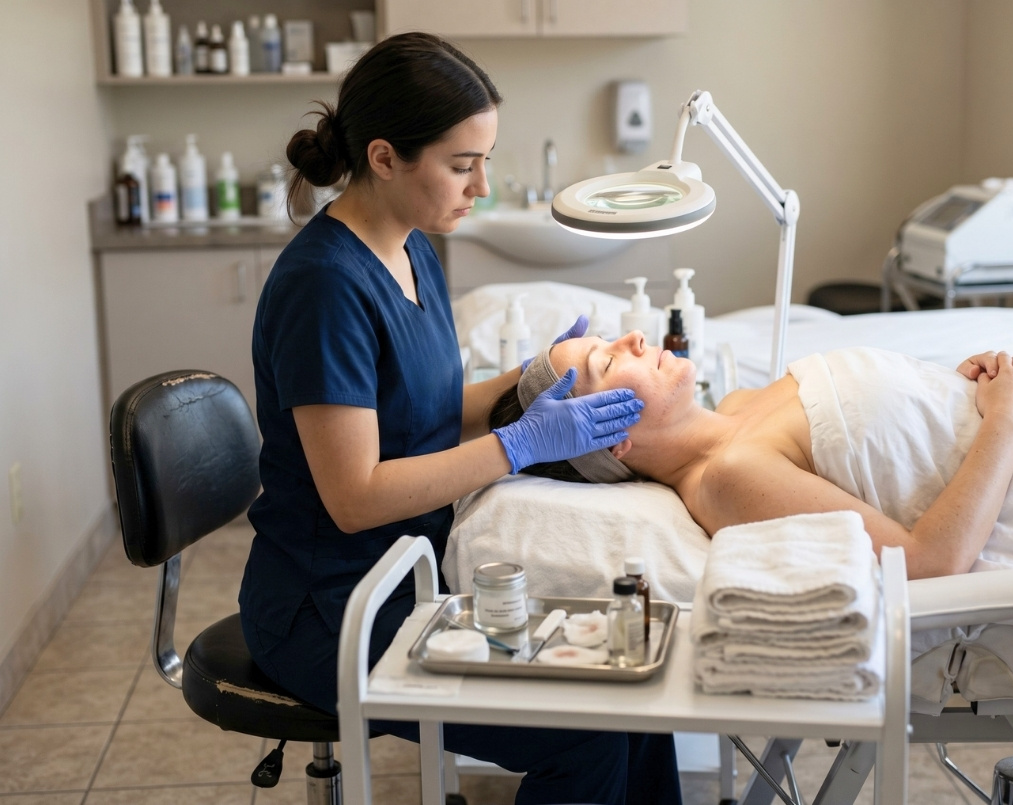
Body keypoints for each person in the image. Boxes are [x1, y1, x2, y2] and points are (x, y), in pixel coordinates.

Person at [238, 32, 683, 805]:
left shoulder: (412, 251)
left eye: (484, 159)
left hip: (409, 573)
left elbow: (431, 407)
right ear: (384, 158)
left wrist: (538, 374)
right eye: (461, 163)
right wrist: (521, 443)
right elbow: (357, 495)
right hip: (332, 609)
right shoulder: (324, 288)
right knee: (591, 736)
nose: (481, 185)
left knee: (632, 689)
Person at [491, 330, 1013, 584]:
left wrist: (950, 391)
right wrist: (1004, 422)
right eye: (611, 359)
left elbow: (888, 449)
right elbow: (928, 562)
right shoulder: (729, 477)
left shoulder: (739, 405)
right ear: (614, 435)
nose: (640, 337)